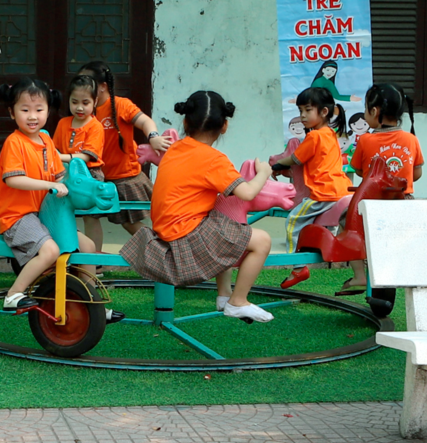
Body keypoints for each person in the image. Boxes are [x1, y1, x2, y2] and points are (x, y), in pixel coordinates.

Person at [122, 90, 277, 321]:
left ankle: (224, 295)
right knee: (262, 241)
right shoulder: (215, 160)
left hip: (166, 231)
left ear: (185, 122)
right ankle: (238, 301)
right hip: (186, 238)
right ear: (224, 126)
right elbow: (247, 193)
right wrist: (264, 172)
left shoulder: (174, 149)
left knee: (223, 218)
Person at [0, 78, 69, 315]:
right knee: (51, 251)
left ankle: (85, 299)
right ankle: (14, 294)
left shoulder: (46, 141)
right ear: (12, 112)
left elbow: (61, 176)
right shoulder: (14, 142)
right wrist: (51, 185)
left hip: (42, 213)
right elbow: (13, 179)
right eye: (25, 110)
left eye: (39, 109)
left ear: (48, 110)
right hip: (17, 216)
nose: (32, 116)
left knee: (84, 245)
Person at [339, 82, 424, 297]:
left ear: (375, 111)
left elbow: (360, 171)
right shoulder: (411, 139)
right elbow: (417, 174)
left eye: (366, 109)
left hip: (371, 206)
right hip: (403, 205)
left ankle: (359, 275)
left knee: (346, 224)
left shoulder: (366, 140)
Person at [75, 59, 170, 233]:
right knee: (90, 217)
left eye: (87, 81)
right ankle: (92, 252)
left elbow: (145, 121)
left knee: (129, 223)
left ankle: (156, 247)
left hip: (123, 176)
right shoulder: (83, 110)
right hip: (95, 177)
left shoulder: (121, 105)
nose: (81, 85)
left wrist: (153, 137)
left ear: (102, 86)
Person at [274, 86, 354, 244]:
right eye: (300, 110)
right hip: (343, 190)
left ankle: (296, 257)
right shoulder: (331, 133)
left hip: (323, 192)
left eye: (308, 110)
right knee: (328, 225)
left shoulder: (314, 136)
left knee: (293, 221)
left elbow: (295, 159)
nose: (302, 115)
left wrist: (277, 164)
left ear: (324, 112)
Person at [53, 74, 110, 252]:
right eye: (74, 102)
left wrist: (59, 157)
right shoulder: (63, 123)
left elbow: (86, 157)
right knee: (59, 210)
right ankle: (67, 250)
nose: (79, 107)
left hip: (89, 175)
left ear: (95, 101)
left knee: (90, 217)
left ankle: (94, 257)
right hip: (65, 173)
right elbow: (54, 148)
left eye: (85, 103)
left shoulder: (95, 126)